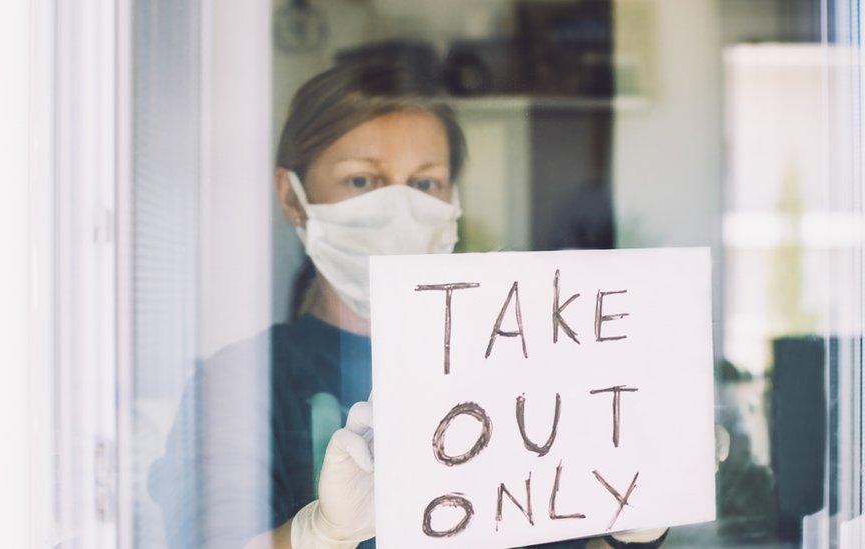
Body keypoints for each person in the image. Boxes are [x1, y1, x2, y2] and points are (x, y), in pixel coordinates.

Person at [149, 61, 667, 549]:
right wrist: (319, 534)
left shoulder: (522, 369)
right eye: (362, 180)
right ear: (291, 196)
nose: (400, 209)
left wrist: (632, 525)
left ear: (452, 199)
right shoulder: (243, 383)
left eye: (424, 183)